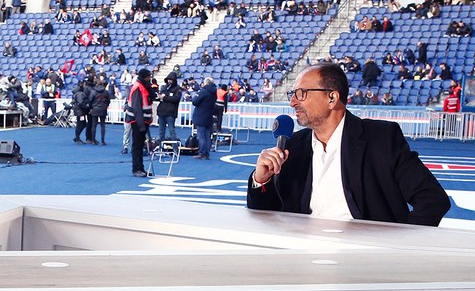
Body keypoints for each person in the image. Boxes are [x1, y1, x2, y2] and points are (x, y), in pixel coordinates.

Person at [247, 64, 450, 226]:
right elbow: (267, 214)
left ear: (332, 97)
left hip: (364, 264)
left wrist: (396, 248)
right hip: (303, 256)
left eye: (301, 93)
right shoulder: (294, 147)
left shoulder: (381, 139)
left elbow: (432, 201)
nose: (292, 102)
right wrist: (261, 180)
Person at [126, 69, 155, 177]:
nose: (149, 78)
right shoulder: (137, 87)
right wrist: (141, 124)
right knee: (137, 146)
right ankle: (136, 169)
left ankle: (141, 168)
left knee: (140, 145)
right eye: (148, 77)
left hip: (144, 121)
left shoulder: (144, 87)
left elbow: (152, 98)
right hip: (138, 121)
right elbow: (136, 108)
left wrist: (150, 87)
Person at [191, 77, 217, 160]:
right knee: (207, 135)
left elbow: (195, 101)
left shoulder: (203, 91)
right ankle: (206, 153)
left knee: (201, 135)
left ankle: (202, 152)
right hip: (208, 115)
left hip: (201, 115)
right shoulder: (214, 92)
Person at [155, 75, 181, 143]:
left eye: (171, 80)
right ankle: (160, 148)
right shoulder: (164, 87)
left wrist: (165, 98)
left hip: (170, 113)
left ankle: (175, 149)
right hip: (161, 112)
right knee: (161, 132)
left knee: (172, 132)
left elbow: (176, 99)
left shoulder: (177, 88)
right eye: (168, 79)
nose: (169, 81)